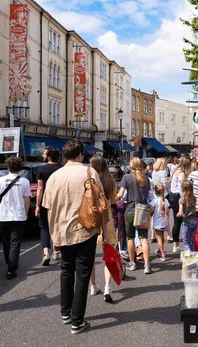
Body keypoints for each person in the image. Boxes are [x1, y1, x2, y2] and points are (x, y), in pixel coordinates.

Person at [43, 139, 107, 334]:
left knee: (66, 270)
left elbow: (48, 208)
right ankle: (77, 320)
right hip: (85, 229)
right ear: (80, 155)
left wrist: (53, 234)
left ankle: (65, 312)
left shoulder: (55, 176)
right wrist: (104, 231)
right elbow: (101, 203)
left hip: (61, 230)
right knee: (82, 273)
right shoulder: (89, 172)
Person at [0, 156, 31, 280]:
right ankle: (11, 268)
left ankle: (9, 263)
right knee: (16, 243)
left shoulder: (0, 180)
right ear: (20, 168)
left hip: (4, 216)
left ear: (7, 166)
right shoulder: (24, 181)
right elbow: (27, 200)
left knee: (6, 241)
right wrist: (25, 213)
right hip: (19, 216)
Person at [89, 155, 118, 303]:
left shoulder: (89, 180)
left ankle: (93, 286)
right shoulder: (110, 180)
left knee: (90, 257)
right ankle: (107, 287)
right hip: (107, 221)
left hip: (92, 220)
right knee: (108, 256)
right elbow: (113, 200)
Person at [116, 157, 153, 274]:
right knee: (143, 238)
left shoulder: (126, 178)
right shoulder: (146, 179)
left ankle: (132, 263)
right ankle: (147, 265)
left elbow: (120, 194)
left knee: (130, 238)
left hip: (130, 210)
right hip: (142, 210)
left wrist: (112, 197)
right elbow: (149, 196)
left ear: (130, 166)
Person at [35, 146, 61, 266]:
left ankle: (46, 253)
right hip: (59, 202)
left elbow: (40, 189)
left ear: (49, 156)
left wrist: (37, 205)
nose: (43, 156)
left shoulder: (41, 170)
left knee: (44, 228)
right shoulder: (61, 169)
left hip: (46, 202)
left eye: (45, 154)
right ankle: (56, 250)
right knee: (57, 226)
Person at [167, 156, 192, 252]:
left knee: (176, 221)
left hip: (172, 196)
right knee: (182, 221)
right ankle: (180, 244)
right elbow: (182, 189)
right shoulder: (182, 174)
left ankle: (175, 244)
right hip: (178, 197)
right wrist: (185, 199)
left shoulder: (175, 171)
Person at [177, 180, 197, 252]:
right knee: (192, 241)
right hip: (194, 221)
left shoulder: (182, 199)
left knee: (186, 242)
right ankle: (193, 255)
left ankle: (188, 257)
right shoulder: (194, 198)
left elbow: (181, 211)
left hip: (187, 222)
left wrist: (178, 214)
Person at [152, 184, 170, 261]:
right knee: (162, 236)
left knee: (159, 238)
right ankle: (160, 249)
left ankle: (162, 253)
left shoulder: (155, 201)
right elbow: (167, 212)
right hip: (164, 221)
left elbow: (150, 209)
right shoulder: (166, 200)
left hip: (157, 222)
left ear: (155, 192)